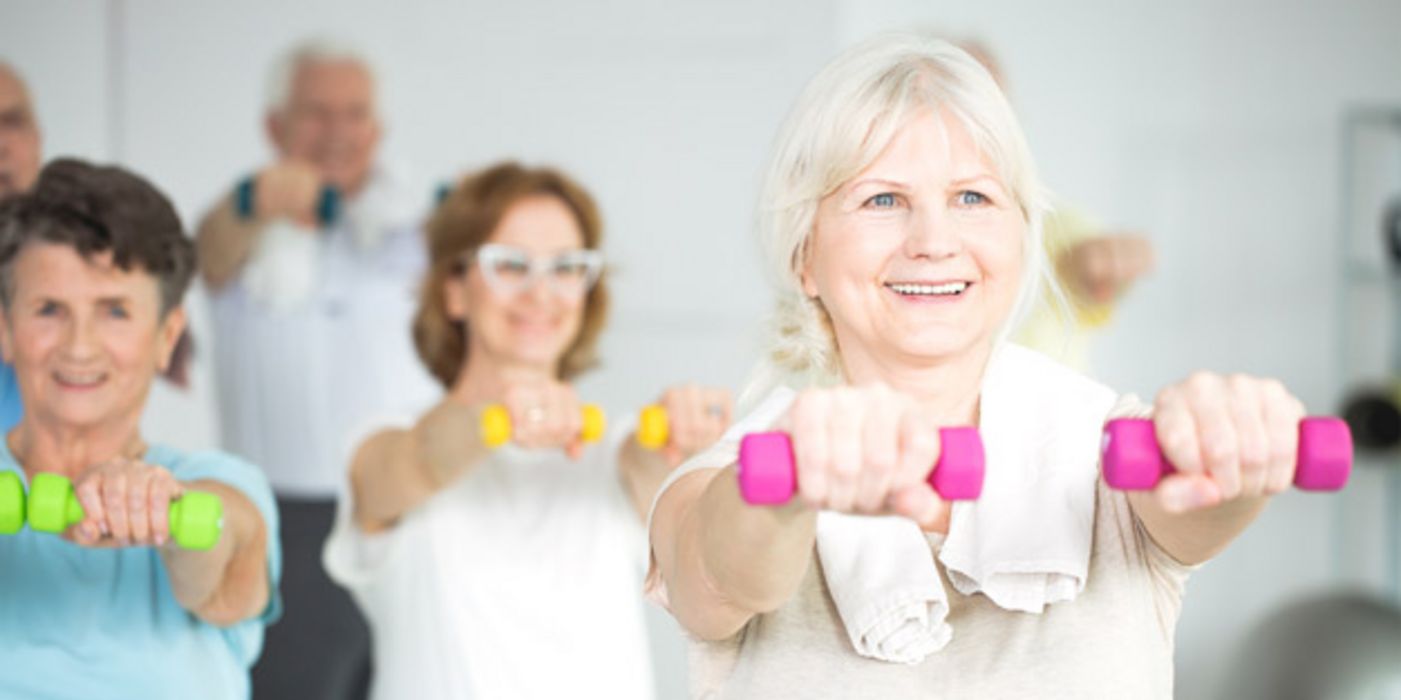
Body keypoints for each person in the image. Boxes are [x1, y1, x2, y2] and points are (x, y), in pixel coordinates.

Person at [646, 35, 1311, 698]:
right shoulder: (721, 480)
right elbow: (715, 579)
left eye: (972, 198)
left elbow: (1197, 512)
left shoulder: (1112, 444)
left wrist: (1234, 446)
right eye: (881, 199)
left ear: (1022, 236)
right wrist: (788, 489)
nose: (933, 242)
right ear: (803, 256)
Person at [324, 162, 733, 699]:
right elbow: (420, 459)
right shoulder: (382, 441)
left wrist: (680, 437)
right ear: (454, 290)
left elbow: (650, 467)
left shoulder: (614, 447)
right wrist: (498, 418)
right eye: (510, 265)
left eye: (566, 268)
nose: (542, 294)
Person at [195, 39, 436, 699]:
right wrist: (256, 201)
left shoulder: (417, 234)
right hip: (286, 527)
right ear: (275, 126)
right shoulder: (240, 234)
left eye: (353, 113)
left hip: (406, 516)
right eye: (316, 113)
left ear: (376, 130)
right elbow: (204, 249)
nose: (336, 131)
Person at [0, 159, 280, 700]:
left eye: (115, 311)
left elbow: (223, 552)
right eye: (49, 309)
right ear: (6, 329)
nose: (79, 347)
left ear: (167, 335)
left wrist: (164, 512)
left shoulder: (217, 482)